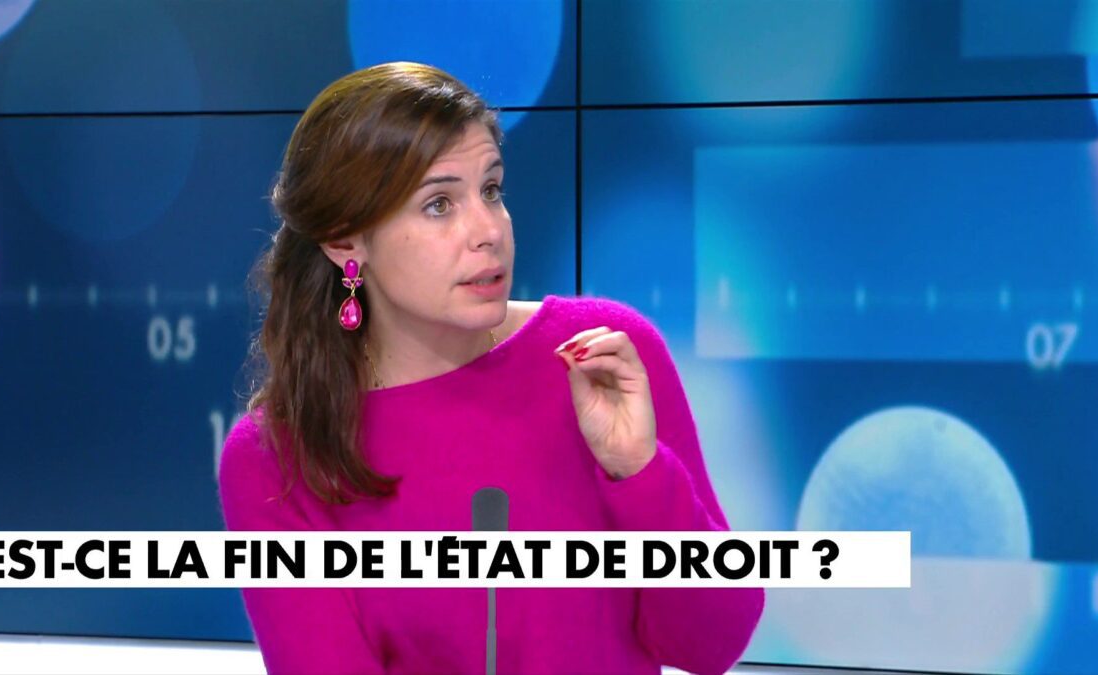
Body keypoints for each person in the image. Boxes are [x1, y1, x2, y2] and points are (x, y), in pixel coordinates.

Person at [218, 61, 764, 674]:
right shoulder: (276, 458)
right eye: (439, 204)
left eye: (492, 190)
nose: (489, 231)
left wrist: (638, 471)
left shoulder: (602, 357)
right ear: (346, 241)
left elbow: (714, 644)